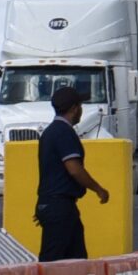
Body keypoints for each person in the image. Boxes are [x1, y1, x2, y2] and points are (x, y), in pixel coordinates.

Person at [36, 86, 110, 262]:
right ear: (74, 108)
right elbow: (74, 169)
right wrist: (99, 189)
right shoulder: (63, 132)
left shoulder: (50, 132)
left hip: (56, 204)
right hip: (60, 205)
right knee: (52, 262)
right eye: (80, 106)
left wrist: (46, 206)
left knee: (75, 259)